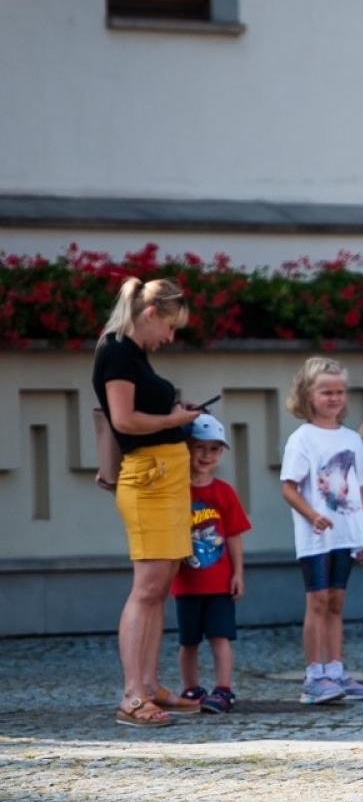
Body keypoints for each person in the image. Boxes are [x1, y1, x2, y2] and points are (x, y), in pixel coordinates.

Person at [91, 277, 205, 727]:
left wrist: (176, 416)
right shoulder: (116, 350)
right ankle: (132, 694)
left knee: (160, 587)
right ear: (151, 313)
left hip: (165, 473)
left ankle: (149, 683)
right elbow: (124, 420)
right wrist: (174, 418)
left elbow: (143, 414)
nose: (171, 339)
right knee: (148, 587)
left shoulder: (131, 353)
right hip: (148, 477)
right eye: (171, 328)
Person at [280, 358, 363, 705]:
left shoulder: (352, 440)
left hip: (346, 536)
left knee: (336, 602)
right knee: (317, 601)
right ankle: (313, 675)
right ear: (308, 395)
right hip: (316, 537)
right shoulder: (302, 439)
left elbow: (359, 488)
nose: (334, 398)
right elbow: (289, 487)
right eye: (326, 391)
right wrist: (312, 516)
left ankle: (335, 670)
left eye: (339, 391)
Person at [172, 414, 251, 714]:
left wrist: (238, 573)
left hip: (219, 580)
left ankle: (224, 689)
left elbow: (233, 535)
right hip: (186, 581)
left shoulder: (224, 492)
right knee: (188, 640)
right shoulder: (177, 491)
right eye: (200, 448)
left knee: (220, 637)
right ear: (187, 449)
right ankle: (190, 688)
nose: (206, 456)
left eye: (214, 449)